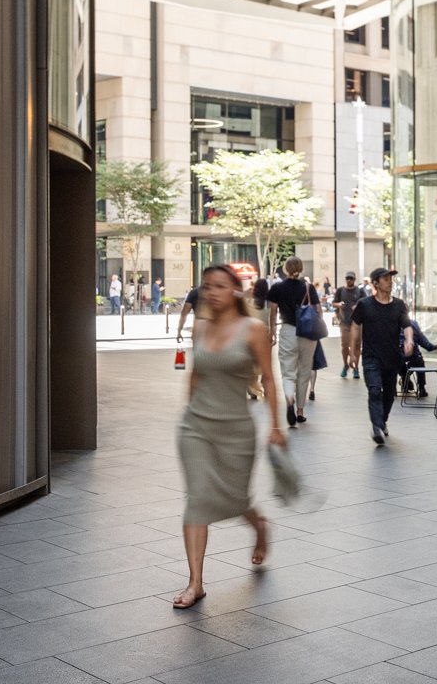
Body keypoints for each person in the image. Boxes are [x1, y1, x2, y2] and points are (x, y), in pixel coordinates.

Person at [173, 263, 284, 609]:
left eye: (219, 286)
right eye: (207, 287)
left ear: (236, 290)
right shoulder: (200, 327)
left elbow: (268, 378)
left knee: (235, 500)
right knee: (198, 498)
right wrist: (187, 412)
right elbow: (195, 374)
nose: (211, 293)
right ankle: (195, 583)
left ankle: (260, 527)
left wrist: (277, 426)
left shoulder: (253, 329)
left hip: (236, 429)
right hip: (197, 428)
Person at [354, 265, 414, 445]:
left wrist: (409, 340)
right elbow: (355, 327)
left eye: (391, 279)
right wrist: (353, 353)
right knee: (374, 389)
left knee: (388, 395)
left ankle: (382, 422)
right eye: (386, 279)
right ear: (375, 283)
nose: (390, 282)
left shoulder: (399, 305)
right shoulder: (364, 305)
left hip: (392, 357)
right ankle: (377, 427)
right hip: (371, 356)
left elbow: (407, 325)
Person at [267, 257, 320, 428]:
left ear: (285, 269)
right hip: (307, 332)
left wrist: (272, 331)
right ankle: (300, 411)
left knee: (288, 372)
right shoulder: (308, 287)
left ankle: (289, 399)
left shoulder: (277, 287)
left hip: (288, 330)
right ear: (301, 269)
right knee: (304, 372)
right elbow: (318, 310)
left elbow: (273, 312)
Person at [334, 271, 364, 377]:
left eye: (351, 278)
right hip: (344, 322)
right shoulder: (340, 290)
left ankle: (356, 368)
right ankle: (345, 365)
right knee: (345, 345)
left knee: (357, 346)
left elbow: (366, 303)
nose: (349, 280)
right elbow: (334, 303)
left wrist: (358, 306)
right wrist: (339, 304)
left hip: (357, 322)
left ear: (354, 279)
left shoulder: (360, 291)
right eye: (347, 278)